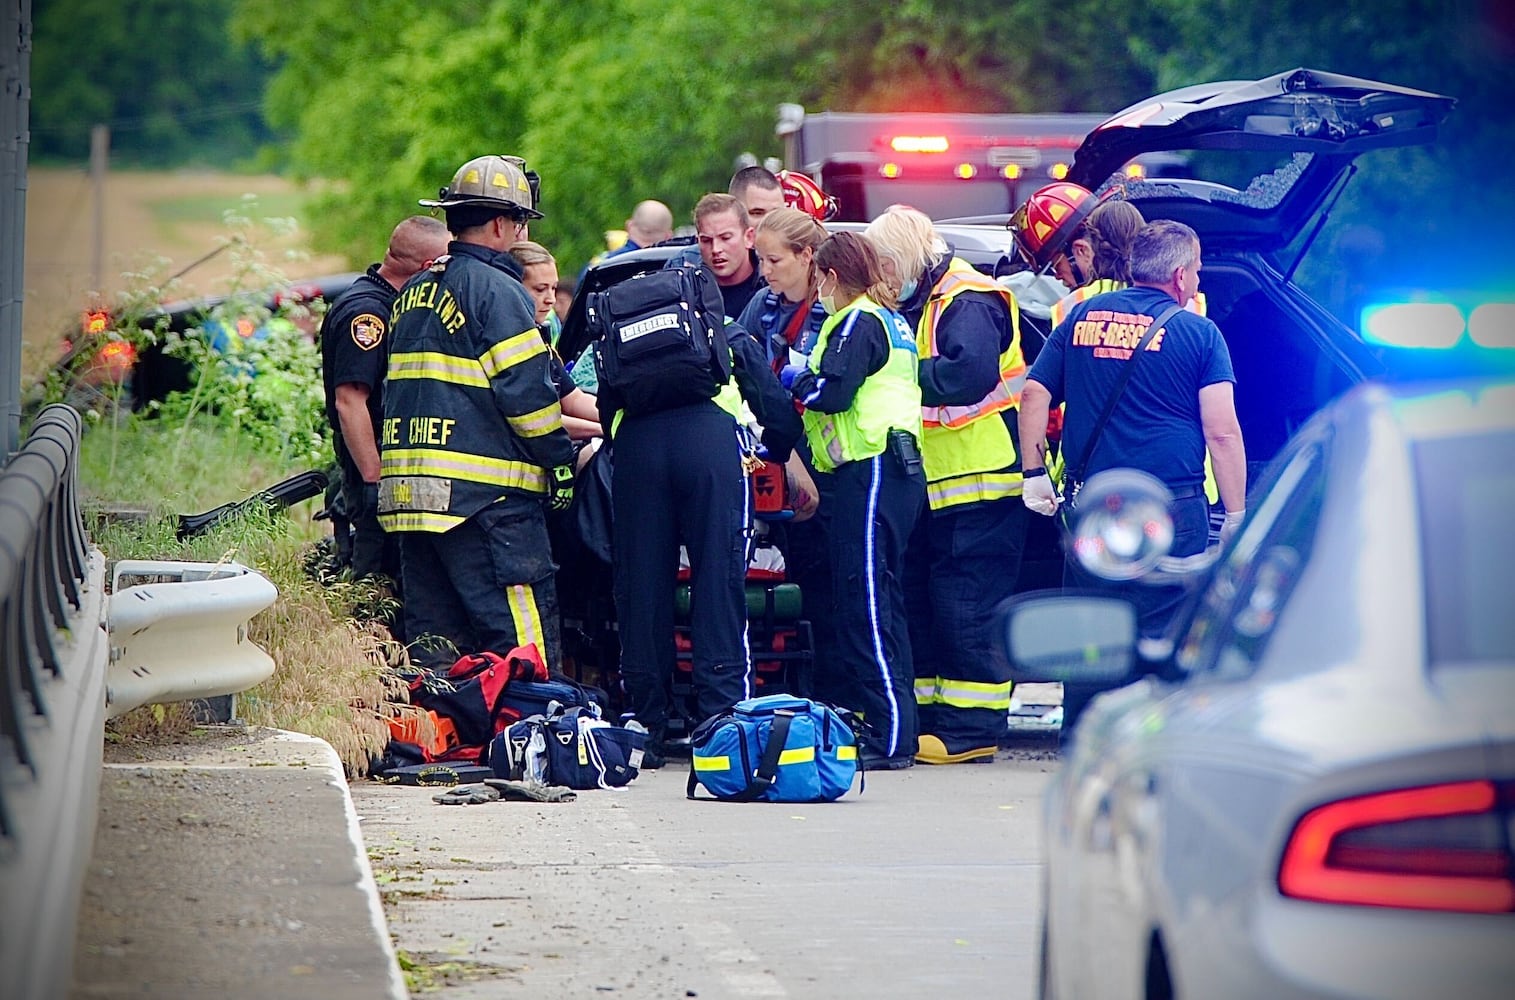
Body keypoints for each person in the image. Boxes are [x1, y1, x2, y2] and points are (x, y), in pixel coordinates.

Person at [1018, 219, 1247, 733]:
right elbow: (1223, 432)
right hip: (1173, 508)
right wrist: (1235, 514)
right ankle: (1152, 739)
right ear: (1182, 275)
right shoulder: (1198, 333)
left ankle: (1082, 738)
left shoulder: (1081, 317)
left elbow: (1034, 394)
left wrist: (1034, 472)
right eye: (1199, 270)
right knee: (1164, 624)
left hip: (1093, 505)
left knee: (1089, 622)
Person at [379, 154, 576, 672]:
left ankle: (446, 746)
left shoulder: (415, 292)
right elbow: (529, 399)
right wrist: (559, 463)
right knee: (520, 641)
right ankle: (535, 736)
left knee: (437, 649)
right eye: (518, 224)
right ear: (498, 223)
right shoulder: (499, 292)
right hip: (486, 503)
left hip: (411, 499)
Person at [600, 271, 802, 769]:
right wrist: (775, 448)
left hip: (639, 451)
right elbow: (774, 405)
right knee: (719, 578)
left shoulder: (626, 332)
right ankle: (719, 719)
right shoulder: (721, 331)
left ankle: (647, 722)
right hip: (709, 448)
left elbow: (608, 405)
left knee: (641, 586)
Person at [865, 205, 1028, 766]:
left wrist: (895, 376)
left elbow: (968, 375)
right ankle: (937, 719)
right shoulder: (928, 301)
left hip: (980, 484)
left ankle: (972, 727)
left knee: (967, 607)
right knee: (933, 604)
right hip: (944, 487)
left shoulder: (968, 299)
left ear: (907, 255)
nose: (886, 279)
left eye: (887, 265)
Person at [782, 231, 926, 770]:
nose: (818, 291)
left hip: (872, 473)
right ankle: (894, 728)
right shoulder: (890, 319)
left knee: (866, 604)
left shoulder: (857, 320)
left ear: (833, 277)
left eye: (820, 280)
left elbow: (832, 393)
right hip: (892, 473)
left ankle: (887, 735)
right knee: (881, 603)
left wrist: (797, 378)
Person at [320, 215, 449, 581]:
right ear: (429, 267)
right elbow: (350, 400)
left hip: (388, 462)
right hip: (372, 463)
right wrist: (375, 478)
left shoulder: (391, 302)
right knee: (376, 574)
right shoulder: (369, 313)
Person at [507, 241, 603, 444]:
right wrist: (604, 429)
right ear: (512, 287)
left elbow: (573, 399)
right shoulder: (509, 342)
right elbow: (538, 419)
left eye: (554, 288)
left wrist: (622, 416)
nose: (551, 299)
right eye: (540, 289)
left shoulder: (540, 341)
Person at [694, 193, 766, 318]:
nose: (716, 249)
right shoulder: (687, 291)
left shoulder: (773, 286)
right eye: (706, 240)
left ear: (748, 237)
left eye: (725, 238)